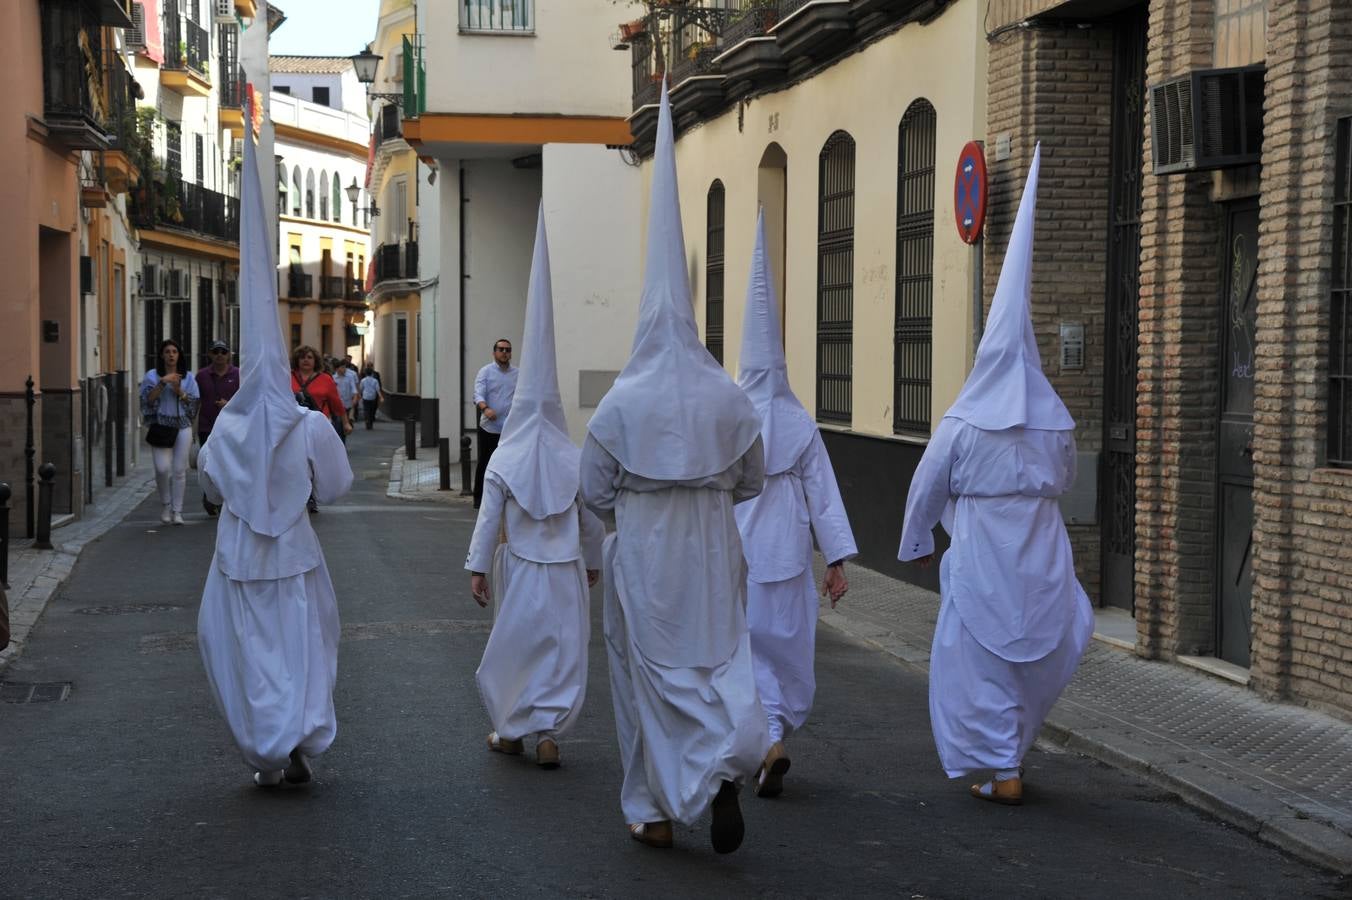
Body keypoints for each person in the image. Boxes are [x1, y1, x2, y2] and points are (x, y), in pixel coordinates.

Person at [580, 82, 766, 855]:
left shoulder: (621, 405)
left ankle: (653, 806)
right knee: (718, 665)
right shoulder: (728, 399)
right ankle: (724, 762)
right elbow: (751, 479)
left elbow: (593, 493)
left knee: (645, 681)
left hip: (649, 555)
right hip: (715, 549)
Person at [897, 145, 1092, 806]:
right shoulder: (1054, 422)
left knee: (977, 660)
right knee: (1037, 649)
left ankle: (1000, 763)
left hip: (982, 549)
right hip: (1037, 551)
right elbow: (1065, 479)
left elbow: (928, 483)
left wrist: (918, 541)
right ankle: (1010, 759)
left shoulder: (962, 421)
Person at [197, 104, 354, 789]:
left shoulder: (227, 425)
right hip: (294, 556)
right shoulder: (307, 422)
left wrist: (240, 489)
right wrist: (303, 485)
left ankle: (270, 739)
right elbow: (340, 487)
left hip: (239, 557)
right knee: (303, 647)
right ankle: (297, 735)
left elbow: (209, 487)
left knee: (249, 652)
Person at [465, 207, 604, 770]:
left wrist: (477, 567)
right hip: (566, 566)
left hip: (522, 566)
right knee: (561, 648)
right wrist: (592, 557)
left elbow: (486, 517)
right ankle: (548, 730)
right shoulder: (573, 455)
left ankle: (513, 726)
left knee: (518, 642)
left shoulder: (508, 455)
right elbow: (591, 513)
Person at [735, 210, 857, 799]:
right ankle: (774, 734)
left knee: (747, 648)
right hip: (788, 549)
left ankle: (768, 740)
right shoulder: (801, 420)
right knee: (785, 650)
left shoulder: (727, 416)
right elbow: (824, 492)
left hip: (738, 549)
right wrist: (836, 560)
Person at [140, 338, 201, 526]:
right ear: (161, 355)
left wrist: (179, 390)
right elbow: (147, 401)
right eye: (167, 351)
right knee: (161, 468)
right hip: (161, 426)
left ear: (179, 355)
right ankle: (166, 505)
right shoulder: (151, 376)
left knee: (179, 470)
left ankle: (177, 511)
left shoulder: (189, 378)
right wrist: (162, 383)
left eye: (174, 351)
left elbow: (193, 406)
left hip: (182, 426)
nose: (171, 355)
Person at [196, 340, 240, 517]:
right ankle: (209, 495)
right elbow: (195, 400)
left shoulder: (238, 374)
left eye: (223, 351)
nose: (220, 355)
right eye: (216, 351)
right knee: (208, 463)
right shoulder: (201, 376)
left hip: (232, 428)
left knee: (228, 464)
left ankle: (224, 499)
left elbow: (245, 399)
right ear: (210, 354)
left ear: (229, 354)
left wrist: (229, 405)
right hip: (207, 426)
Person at [472, 339, 518, 509]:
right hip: (489, 427)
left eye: (508, 350)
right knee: (485, 462)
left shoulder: (517, 374)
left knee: (508, 464)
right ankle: (479, 498)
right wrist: (485, 408)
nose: (504, 352)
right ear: (494, 352)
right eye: (501, 349)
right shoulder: (486, 372)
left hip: (509, 429)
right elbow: (478, 394)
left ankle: (506, 497)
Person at [333, 358, 359, 431]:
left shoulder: (349, 377)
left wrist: (355, 397)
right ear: (337, 369)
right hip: (337, 405)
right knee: (338, 425)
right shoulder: (333, 378)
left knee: (344, 426)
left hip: (347, 404)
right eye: (342, 367)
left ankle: (343, 438)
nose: (344, 369)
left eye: (345, 367)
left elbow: (354, 388)